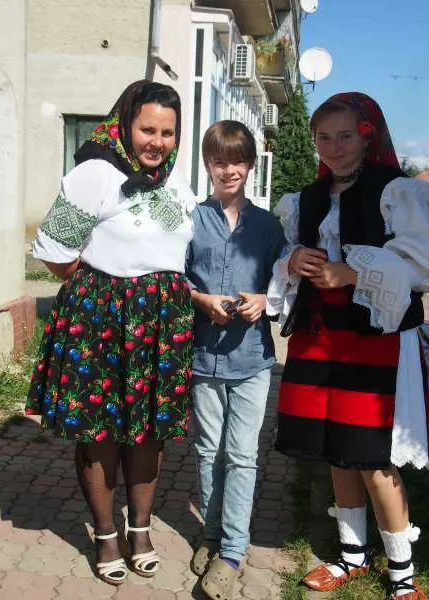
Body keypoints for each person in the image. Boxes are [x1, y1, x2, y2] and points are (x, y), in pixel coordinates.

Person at [267, 92, 429, 599]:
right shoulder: (307, 198)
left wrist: (353, 270)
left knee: (373, 455)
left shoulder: (396, 192)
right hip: (320, 338)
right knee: (335, 450)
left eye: (345, 135)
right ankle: (351, 556)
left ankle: (404, 575)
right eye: (324, 137)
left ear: (367, 136)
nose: (333, 147)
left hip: (376, 342)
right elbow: (286, 252)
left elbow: (428, 270)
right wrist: (295, 258)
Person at [25, 80, 196, 586]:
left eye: (167, 132)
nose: (157, 142)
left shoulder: (174, 178)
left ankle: (139, 528)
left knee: (148, 433)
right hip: (102, 322)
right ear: (125, 124)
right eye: (148, 129)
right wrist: (104, 295)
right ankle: (104, 533)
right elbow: (55, 252)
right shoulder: (94, 174)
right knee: (100, 435)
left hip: (162, 328)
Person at [185, 120, 285, 600]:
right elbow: (172, 278)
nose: (229, 170)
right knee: (208, 451)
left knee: (242, 455)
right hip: (204, 356)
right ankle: (210, 534)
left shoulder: (268, 226)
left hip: (252, 359)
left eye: (237, 160)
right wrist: (199, 300)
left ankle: (232, 550)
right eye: (219, 160)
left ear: (249, 164)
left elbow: (287, 283)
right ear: (207, 163)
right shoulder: (190, 219)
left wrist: (264, 300)